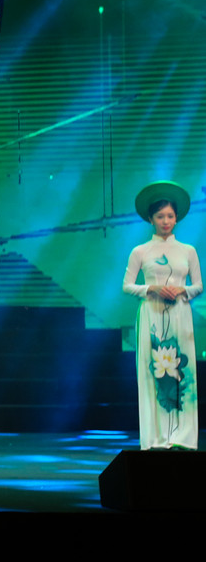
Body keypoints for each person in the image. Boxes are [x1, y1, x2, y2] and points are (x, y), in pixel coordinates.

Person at [122, 181, 201, 450]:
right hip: (151, 314)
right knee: (153, 372)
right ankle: (155, 437)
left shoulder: (188, 251)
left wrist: (182, 290)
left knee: (182, 372)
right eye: (160, 217)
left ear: (176, 218)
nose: (165, 221)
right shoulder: (140, 251)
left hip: (180, 313)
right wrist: (152, 288)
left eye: (170, 216)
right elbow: (127, 286)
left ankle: (183, 437)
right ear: (151, 219)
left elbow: (199, 286)